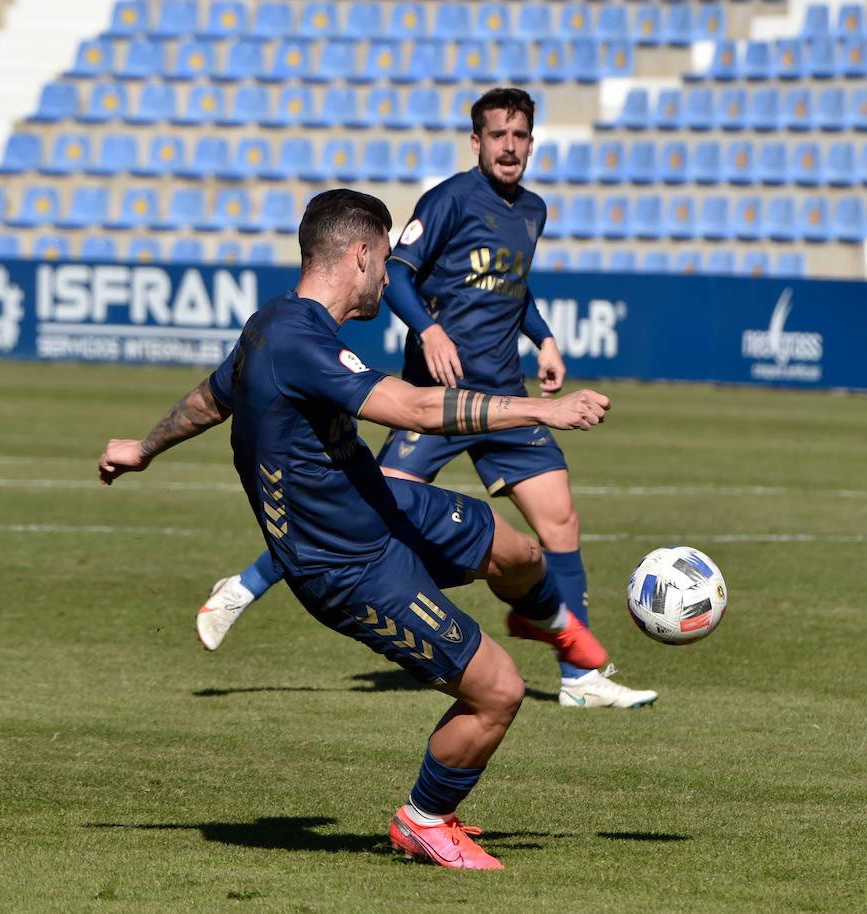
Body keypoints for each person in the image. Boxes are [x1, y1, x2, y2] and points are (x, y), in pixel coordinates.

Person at [101, 189, 612, 869]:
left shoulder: (270, 324)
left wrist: (145, 446)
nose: (388, 275)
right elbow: (414, 408)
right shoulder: (297, 340)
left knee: (517, 550)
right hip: (346, 567)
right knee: (500, 692)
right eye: (384, 260)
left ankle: (550, 626)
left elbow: (211, 396)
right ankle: (426, 819)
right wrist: (540, 411)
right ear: (362, 254)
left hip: (382, 506)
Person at [197, 88, 658, 710]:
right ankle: (246, 585)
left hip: (504, 394)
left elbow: (514, 287)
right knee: (363, 502)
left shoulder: (533, 211)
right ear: (477, 142)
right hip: (437, 399)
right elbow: (399, 275)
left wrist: (544, 339)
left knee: (560, 523)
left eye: (521, 135)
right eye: (498, 135)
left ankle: (578, 677)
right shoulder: (446, 200)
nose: (510, 147)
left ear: (532, 141)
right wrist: (430, 328)